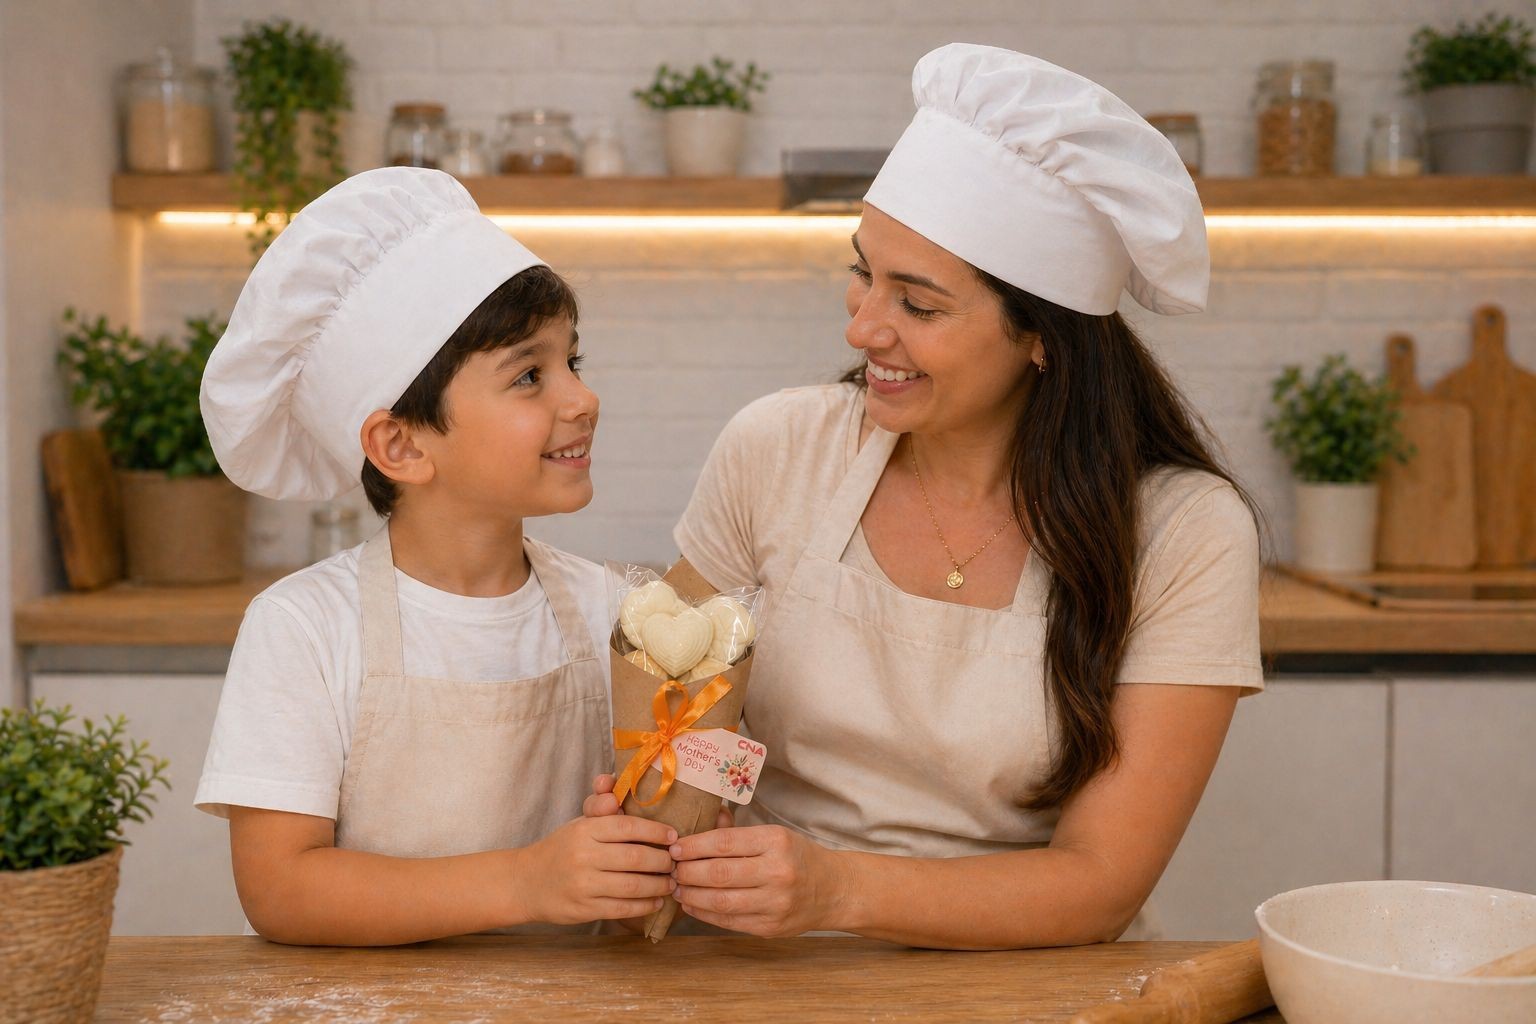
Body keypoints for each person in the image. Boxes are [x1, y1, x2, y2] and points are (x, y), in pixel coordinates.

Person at [591, 44, 1263, 949]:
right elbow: (683, 706)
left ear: (1044, 339)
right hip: (757, 964)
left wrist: (834, 891)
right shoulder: (779, 448)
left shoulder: (1183, 532)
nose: (862, 325)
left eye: (920, 304)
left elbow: (1099, 885)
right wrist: (663, 812)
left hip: (1028, 982)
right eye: (864, 271)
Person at [194, 168, 677, 946]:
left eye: (572, 363)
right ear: (400, 444)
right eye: (529, 375)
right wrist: (529, 880)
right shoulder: (304, 628)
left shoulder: (615, 611)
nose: (580, 399)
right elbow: (280, 888)